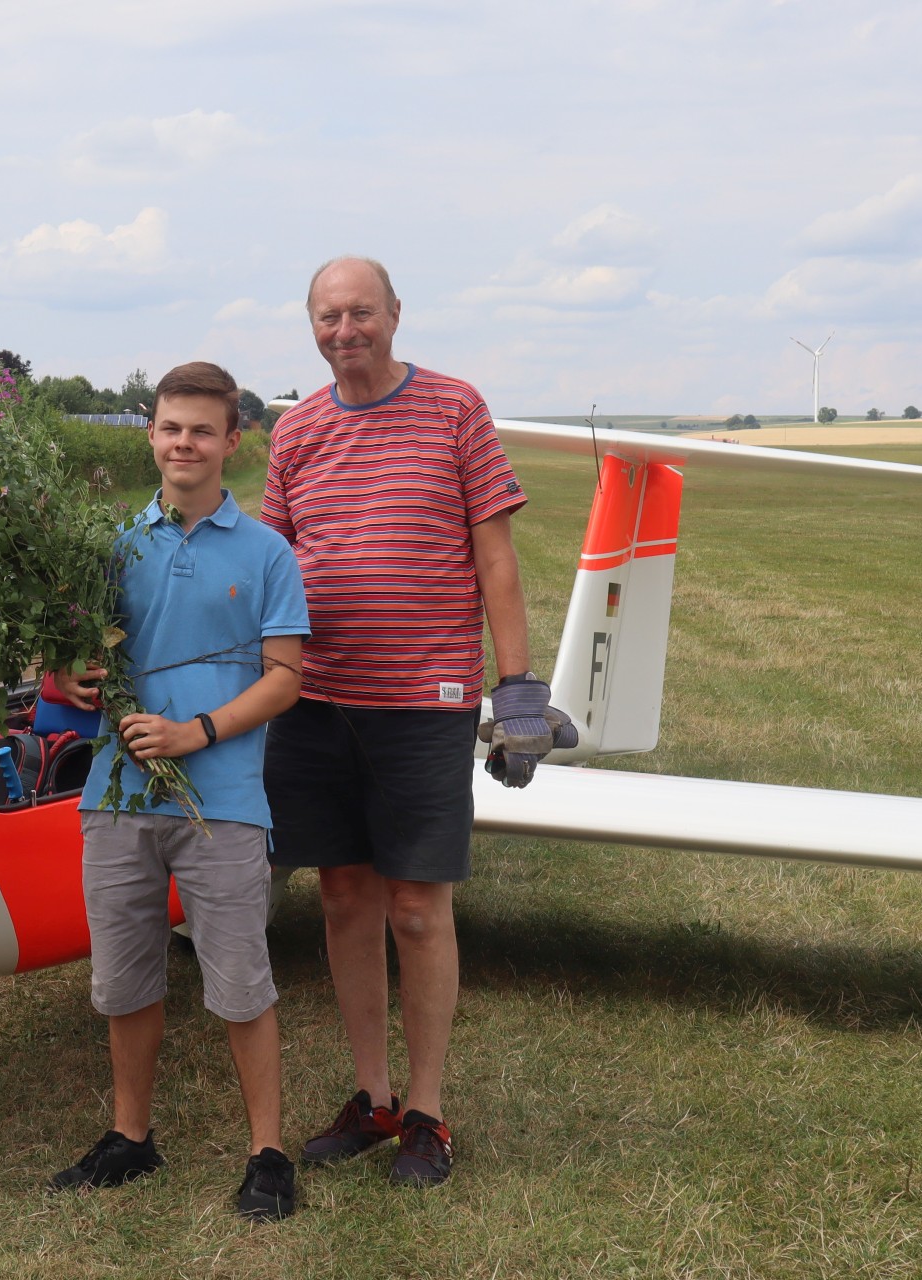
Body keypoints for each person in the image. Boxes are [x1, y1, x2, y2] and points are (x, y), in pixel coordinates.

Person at [261, 256, 562, 1187]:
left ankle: (427, 1112)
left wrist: (515, 688)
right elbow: (271, 564)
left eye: (360, 312)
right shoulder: (296, 430)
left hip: (423, 703)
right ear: (310, 325)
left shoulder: (455, 409)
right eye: (326, 316)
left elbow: (495, 558)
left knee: (419, 912)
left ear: (394, 315)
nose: (343, 329)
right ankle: (373, 1096)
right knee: (345, 899)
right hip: (314, 703)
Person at [49, 361, 309, 1221]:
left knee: (240, 981)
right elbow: (65, 659)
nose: (184, 443)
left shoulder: (269, 552)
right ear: (152, 436)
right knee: (124, 980)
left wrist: (194, 734)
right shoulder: (114, 546)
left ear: (234, 442)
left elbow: (283, 682)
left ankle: (267, 1154)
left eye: (202, 429)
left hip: (222, 803)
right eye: (169, 427)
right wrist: (72, 677)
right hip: (118, 799)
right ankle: (131, 1138)